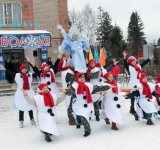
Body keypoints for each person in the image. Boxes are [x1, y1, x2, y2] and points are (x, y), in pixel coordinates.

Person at [61, 73, 114, 137]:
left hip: (86, 104)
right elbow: (71, 91)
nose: (82, 79)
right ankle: (80, 123)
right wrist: (66, 91)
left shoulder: (89, 85)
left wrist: (108, 87)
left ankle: (87, 130)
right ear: (77, 78)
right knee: (79, 115)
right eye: (80, 77)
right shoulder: (75, 85)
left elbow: (98, 88)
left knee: (84, 116)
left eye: (83, 77)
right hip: (78, 104)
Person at [123, 51, 154, 117]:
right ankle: (132, 108)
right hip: (131, 82)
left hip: (137, 82)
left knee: (138, 95)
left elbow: (144, 63)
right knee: (132, 95)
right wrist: (125, 57)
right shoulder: (128, 67)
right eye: (132, 61)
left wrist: (150, 58)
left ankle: (138, 108)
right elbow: (125, 63)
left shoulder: (138, 66)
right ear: (130, 62)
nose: (134, 62)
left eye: (134, 61)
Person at [58, 56, 76, 125]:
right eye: (66, 63)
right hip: (69, 91)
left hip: (70, 90)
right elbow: (74, 78)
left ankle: (72, 119)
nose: (68, 63)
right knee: (70, 104)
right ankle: (71, 120)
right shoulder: (66, 71)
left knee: (71, 104)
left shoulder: (67, 70)